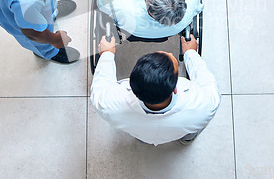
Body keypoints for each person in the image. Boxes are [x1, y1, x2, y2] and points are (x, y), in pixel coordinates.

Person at [90, 34, 221, 146]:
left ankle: (144, 140)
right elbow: (205, 79)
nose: (169, 53)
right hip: (181, 129)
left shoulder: (108, 104)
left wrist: (106, 54)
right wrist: (191, 53)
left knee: (143, 136)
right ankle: (187, 139)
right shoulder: (205, 104)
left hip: (139, 131)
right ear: (175, 89)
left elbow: (100, 85)